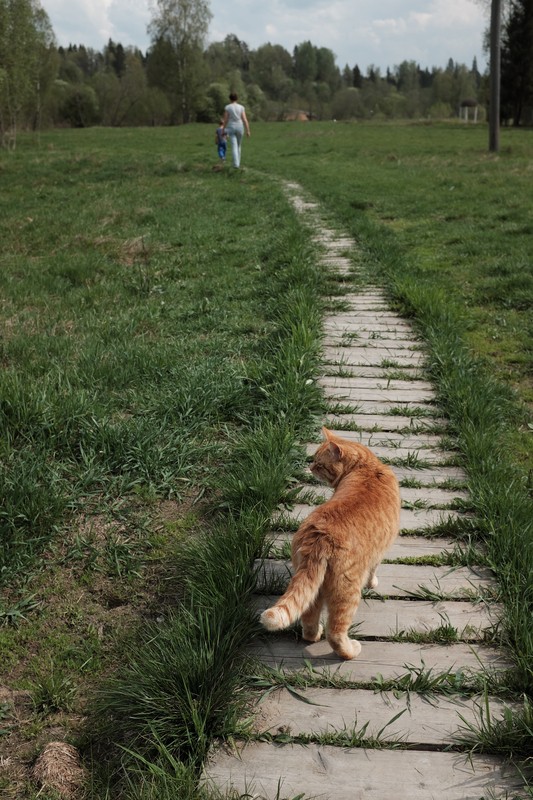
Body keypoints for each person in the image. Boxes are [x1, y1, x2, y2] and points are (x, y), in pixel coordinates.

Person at [222, 93, 250, 169]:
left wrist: (223, 129)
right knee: (238, 145)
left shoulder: (227, 107)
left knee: (234, 146)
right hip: (240, 127)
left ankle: (236, 164)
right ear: (237, 99)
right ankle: (238, 163)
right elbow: (244, 119)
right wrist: (248, 130)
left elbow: (226, 119)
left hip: (231, 127)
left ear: (230, 99)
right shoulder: (241, 107)